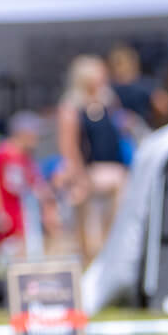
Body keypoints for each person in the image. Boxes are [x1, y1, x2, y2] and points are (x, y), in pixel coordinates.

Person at [56, 55, 128, 265]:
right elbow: (69, 146)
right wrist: (79, 177)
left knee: (114, 227)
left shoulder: (109, 103)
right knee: (90, 235)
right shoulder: (72, 108)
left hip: (115, 171)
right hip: (89, 173)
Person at [0, 111, 58, 258]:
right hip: (4, 216)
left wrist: (49, 203)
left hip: (19, 217)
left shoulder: (24, 157)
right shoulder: (1, 153)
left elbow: (36, 183)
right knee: (0, 256)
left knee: (21, 254)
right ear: (23, 133)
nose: (37, 138)